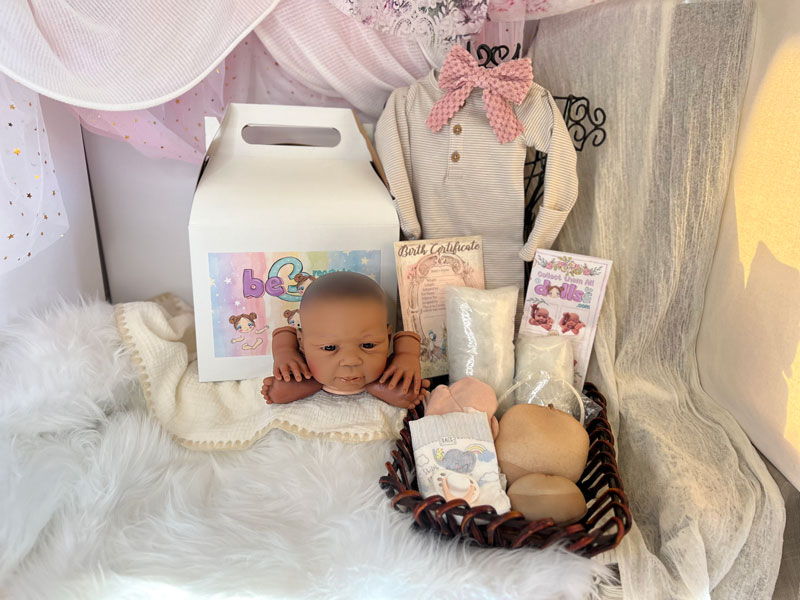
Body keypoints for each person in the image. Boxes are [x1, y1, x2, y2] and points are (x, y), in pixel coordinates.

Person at [261, 271, 428, 408]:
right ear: (302, 343)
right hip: (313, 378)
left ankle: (382, 388)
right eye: (329, 348)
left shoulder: (381, 370)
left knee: (402, 391)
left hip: (378, 380)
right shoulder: (303, 350)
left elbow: (407, 337)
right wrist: (286, 352)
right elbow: (284, 333)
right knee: (293, 383)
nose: (351, 361)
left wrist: (406, 356)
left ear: (387, 337)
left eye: (368, 345)